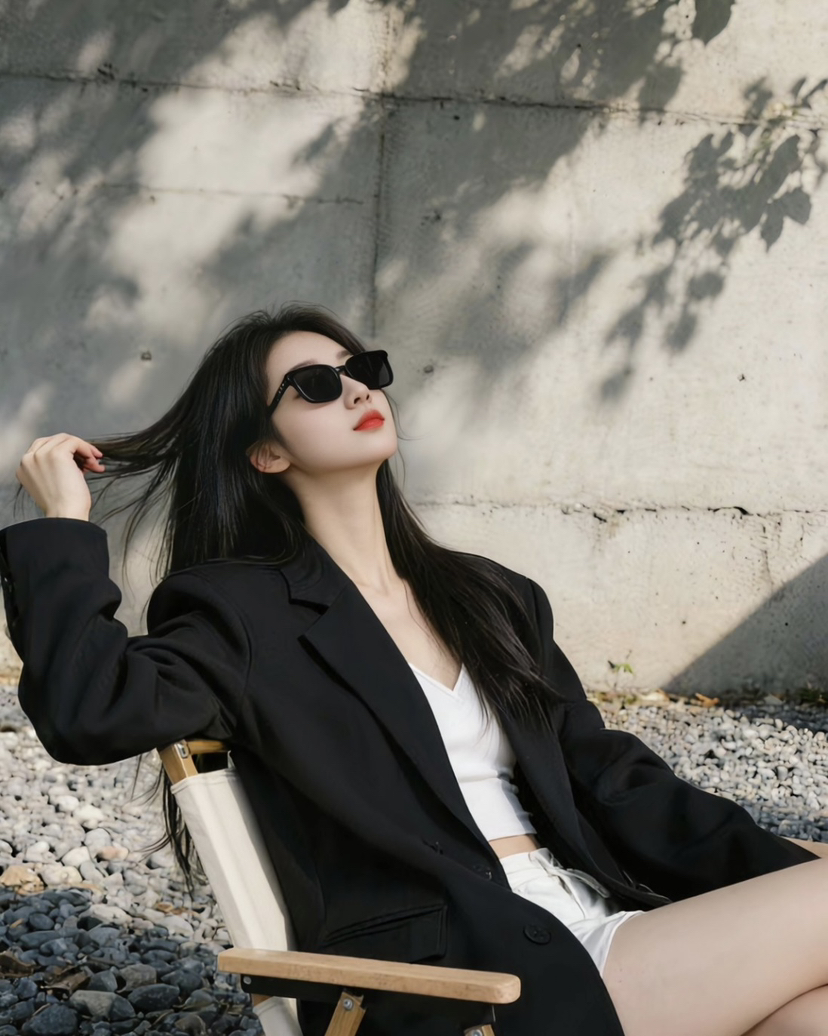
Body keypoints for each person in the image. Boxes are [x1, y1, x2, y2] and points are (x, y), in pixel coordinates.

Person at [1, 301, 826, 1036]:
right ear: (266, 453)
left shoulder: (493, 598)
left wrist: (788, 863)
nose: (357, 391)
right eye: (315, 386)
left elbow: (619, 785)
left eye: (362, 369)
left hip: (599, 921)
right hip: (468, 982)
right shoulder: (243, 613)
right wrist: (64, 528)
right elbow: (89, 711)